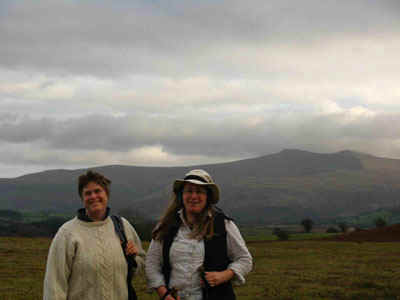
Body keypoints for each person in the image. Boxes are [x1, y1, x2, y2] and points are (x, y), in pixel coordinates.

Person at [145, 169, 252, 300]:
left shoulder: (224, 225)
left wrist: (224, 275)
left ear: (208, 197)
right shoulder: (166, 226)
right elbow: (152, 263)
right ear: (181, 195)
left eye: (200, 192)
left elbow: (244, 259)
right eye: (189, 191)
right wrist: (164, 293)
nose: (194, 197)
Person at [43, 170, 145, 300]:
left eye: (97, 191)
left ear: (106, 194)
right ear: (82, 198)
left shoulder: (123, 226)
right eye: (88, 193)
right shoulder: (67, 233)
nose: (93, 196)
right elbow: (55, 283)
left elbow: (141, 264)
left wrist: (133, 258)